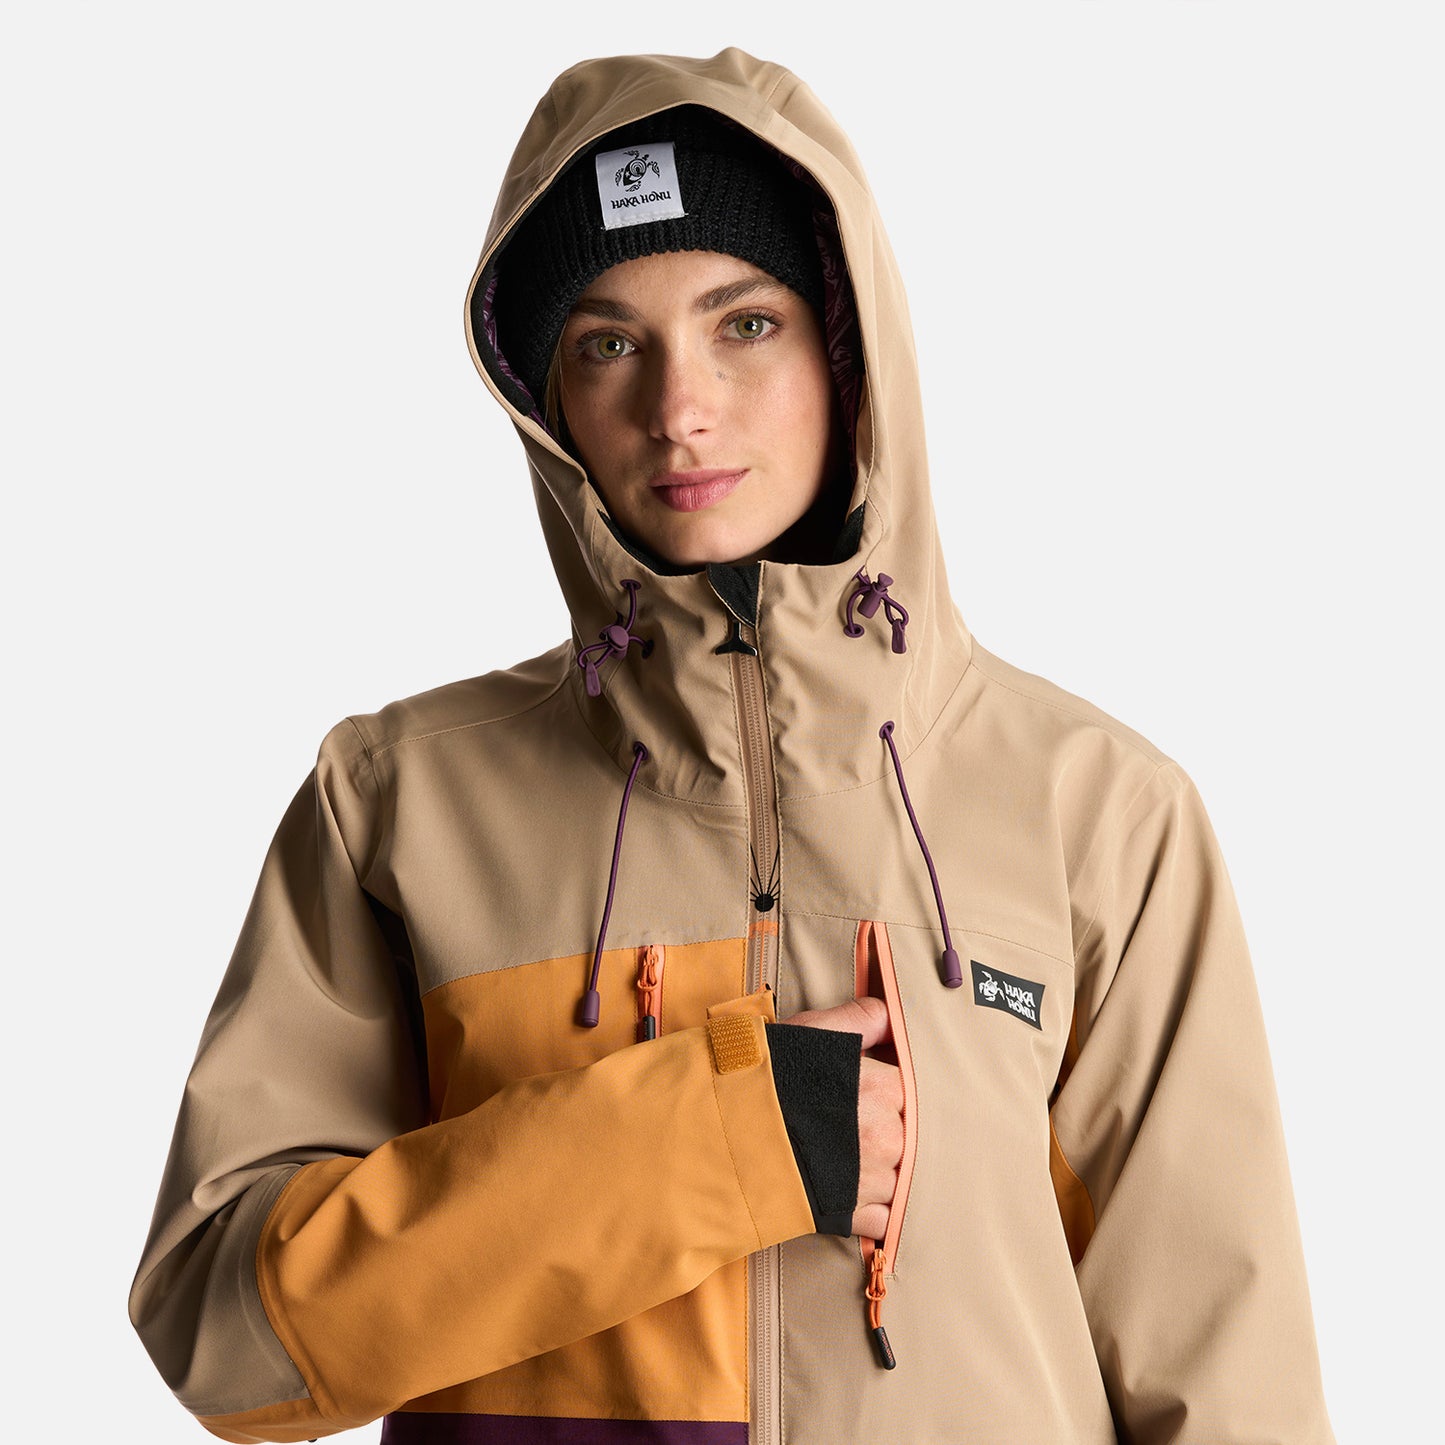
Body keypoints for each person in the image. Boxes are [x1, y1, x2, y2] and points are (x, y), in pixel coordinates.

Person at [129, 47, 1335, 1444]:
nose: (679, 406)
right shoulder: (395, 802)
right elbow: (230, 1339)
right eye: (607, 342)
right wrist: (719, 1139)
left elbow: (1226, 1382)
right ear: (545, 398)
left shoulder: (1099, 812)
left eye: (744, 322)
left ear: (846, 348)